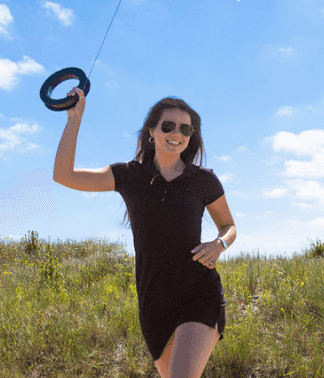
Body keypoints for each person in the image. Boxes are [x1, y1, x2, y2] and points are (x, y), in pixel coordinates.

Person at [53, 88, 237, 378]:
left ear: (191, 136)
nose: (177, 133)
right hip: (153, 301)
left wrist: (219, 244)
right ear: (152, 131)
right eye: (168, 125)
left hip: (198, 294)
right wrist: (74, 119)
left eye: (185, 128)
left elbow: (229, 226)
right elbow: (64, 175)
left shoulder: (204, 181)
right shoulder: (128, 176)